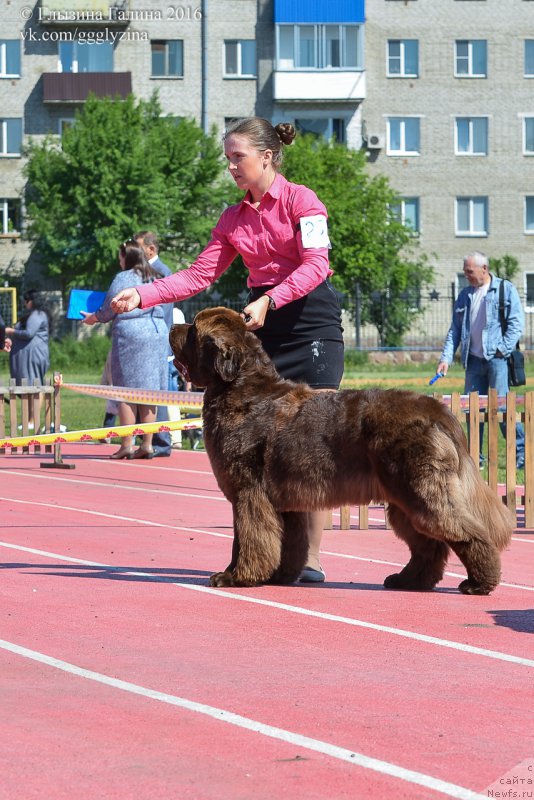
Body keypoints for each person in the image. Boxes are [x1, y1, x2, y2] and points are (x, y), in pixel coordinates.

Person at [111, 117, 344, 582]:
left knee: (311, 444)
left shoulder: (303, 201)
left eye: (238, 157)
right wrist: (144, 294)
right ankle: (270, 553)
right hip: (265, 324)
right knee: (266, 451)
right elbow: (199, 275)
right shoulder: (233, 218)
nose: (231, 166)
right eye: (227, 158)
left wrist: (271, 297)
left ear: (267, 157)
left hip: (310, 321)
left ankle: (310, 558)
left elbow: (317, 264)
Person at [437, 251, 525, 470]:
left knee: (503, 408)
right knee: (472, 409)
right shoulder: (465, 295)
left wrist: (500, 350)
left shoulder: (505, 290)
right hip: (473, 361)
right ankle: (478, 458)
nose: (466, 275)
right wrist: (446, 358)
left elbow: (516, 324)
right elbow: (454, 330)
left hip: (497, 361)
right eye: (465, 271)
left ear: (484, 269)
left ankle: (520, 453)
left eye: (469, 271)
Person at [82, 240, 169, 460]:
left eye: (120, 256)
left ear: (126, 257)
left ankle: (127, 444)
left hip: (131, 336)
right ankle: (148, 444)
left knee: (126, 391)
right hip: (156, 332)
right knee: (150, 392)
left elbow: (109, 308)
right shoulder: (154, 275)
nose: (119, 260)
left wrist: (93, 318)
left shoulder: (123, 278)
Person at [134, 230, 174, 457]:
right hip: (148, 342)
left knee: (158, 395)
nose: (136, 252)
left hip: (158, 342)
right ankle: (149, 438)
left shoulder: (161, 272)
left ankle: (161, 441)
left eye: (140, 247)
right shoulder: (145, 271)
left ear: (151, 249)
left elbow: (161, 312)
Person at [6, 289, 50, 429]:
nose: (25, 304)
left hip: (34, 355)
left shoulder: (38, 314)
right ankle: (29, 419)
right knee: (27, 385)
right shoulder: (33, 314)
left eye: (27, 301)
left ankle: (33, 420)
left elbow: (29, 333)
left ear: (31, 301)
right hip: (25, 356)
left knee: (35, 385)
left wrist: (10, 331)